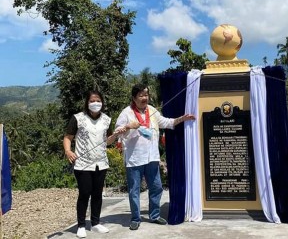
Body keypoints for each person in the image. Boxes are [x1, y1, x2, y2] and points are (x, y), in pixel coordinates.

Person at [115, 83, 195, 230]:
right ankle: (135, 218)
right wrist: (127, 127)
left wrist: (182, 119)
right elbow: (118, 132)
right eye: (141, 95)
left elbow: (166, 122)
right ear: (134, 98)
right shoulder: (126, 113)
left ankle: (154, 215)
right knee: (134, 190)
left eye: (146, 95)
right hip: (134, 159)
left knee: (156, 187)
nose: (144, 98)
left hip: (152, 157)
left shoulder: (152, 110)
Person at [63, 90, 119, 238]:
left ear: (102, 102)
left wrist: (117, 134)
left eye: (98, 100)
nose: (95, 103)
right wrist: (68, 151)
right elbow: (68, 137)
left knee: (97, 194)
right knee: (84, 193)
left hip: (101, 163)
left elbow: (108, 141)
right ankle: (81, 225)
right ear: (87, 103)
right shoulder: (78, 118)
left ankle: (95, 223)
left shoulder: (107, 119)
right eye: (92, 101)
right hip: (82, 163)